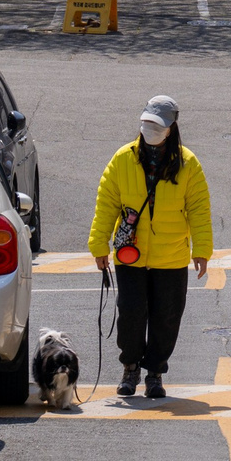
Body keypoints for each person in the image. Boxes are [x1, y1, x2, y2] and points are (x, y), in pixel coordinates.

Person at [87, 95, 213, 399]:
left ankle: (155, 372)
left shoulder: (188, 164)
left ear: (170, 129)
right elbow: (106, 204)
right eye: (146, 124)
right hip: (131, 255)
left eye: (157, 125)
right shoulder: (122, 159)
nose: (150, 129)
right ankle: (130, 367)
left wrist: (202, 251)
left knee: (167, 317)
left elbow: (198, 208)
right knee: (130, 314)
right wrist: (98, 245)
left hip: (171, 257)